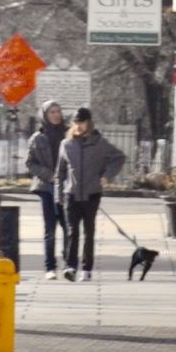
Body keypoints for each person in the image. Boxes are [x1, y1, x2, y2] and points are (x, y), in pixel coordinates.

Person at [55, 107, 125, 281]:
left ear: (89, 123)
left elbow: (119, 157)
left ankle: (86, 268)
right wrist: (59, 195)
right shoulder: (66, 144)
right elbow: (60, 172)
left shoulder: (99, 143)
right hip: (71, 194)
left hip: (92, 194)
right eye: (76, 122)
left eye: (82, 122)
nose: (79, 126)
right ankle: (70, 267)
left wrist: (107, 176)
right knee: (72, 232)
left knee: (89, 232)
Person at [24, 100, 69, 276]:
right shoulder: (37, 138)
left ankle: (68, 264)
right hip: (46, 186)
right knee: (50, 228)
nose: (56, 115)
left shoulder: (69, 134)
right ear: (44, 115)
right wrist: (46, 174)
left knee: (67, 226)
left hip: (66, 186)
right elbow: (29, 162)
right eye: (52, 112)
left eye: (58, 111)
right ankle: (50, 267)